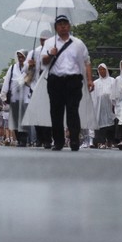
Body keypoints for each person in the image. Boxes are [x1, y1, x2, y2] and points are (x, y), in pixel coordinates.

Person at [42, 15, 93, 151]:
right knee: (56, 112)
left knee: (72, 111)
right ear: (55, 27)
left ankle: (75, 140)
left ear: (69, 26)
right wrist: (51, 54)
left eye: (65, 23)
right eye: (60, 24)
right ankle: (58, 141)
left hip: (73, 80)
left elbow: (87, 62)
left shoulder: (78, 43)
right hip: (55, 80)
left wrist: (89, 80)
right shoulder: (49, 43)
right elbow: (44, 62)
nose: (63, 26)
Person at [27, 30, 53, 148]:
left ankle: (47, 139)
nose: (44, 41)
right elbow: (25, 71)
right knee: (37, 113)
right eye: (42, 39)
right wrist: (30, 65)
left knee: (47, 114)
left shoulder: (53, 51)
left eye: (46, 39)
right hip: (35, 86)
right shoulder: (34, 52)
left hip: (49, 85)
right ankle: (39, 138)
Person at [3, 51, 31, 147]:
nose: (20, 59)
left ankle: (23, 139)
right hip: (14, 98)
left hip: (25, 98)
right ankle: (19, 139)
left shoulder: (29, 67)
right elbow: (7, 81)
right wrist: (4, 94)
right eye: (19, 57)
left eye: (22, 57)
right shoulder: (12, 68)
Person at [92, 63, 116, 149]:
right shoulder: (95, 83)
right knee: (100, 124)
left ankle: (110, 141)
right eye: (100, 70)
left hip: (110, 107)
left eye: (103, 69)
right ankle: (100, 142)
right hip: (99, 108)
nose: (102, 71)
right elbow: (93, 96)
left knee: (110, 124)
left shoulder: (112, 81)